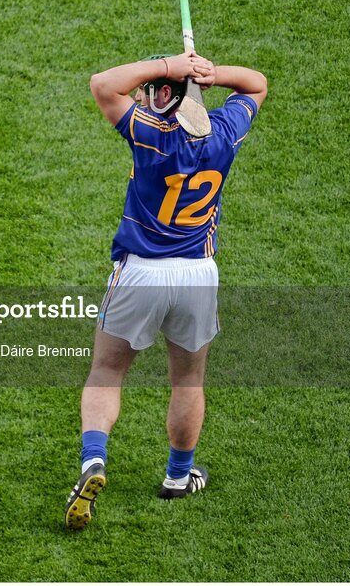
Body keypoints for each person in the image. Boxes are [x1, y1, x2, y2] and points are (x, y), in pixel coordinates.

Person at [64, 51, 267, 530]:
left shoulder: (151, 136)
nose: (143, 96)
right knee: (188, 379)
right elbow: (256, 84)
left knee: (108, 370)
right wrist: (212, 75)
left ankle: (94, 460)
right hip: (198, 274)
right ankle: (179, 476)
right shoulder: (224, 134)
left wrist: (169, 64)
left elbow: (101, 83)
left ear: (166, 98)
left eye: (152, 92)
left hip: (140, 273)